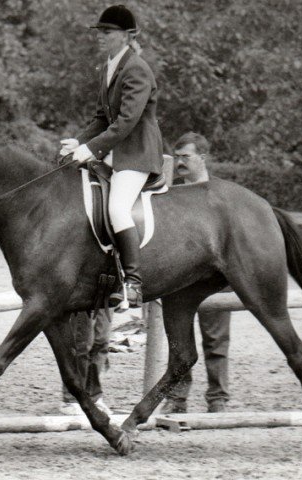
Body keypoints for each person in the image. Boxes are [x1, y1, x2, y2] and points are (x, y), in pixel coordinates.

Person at [59, 4, 164, 310]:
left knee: (118, 208)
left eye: (107, 32)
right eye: (100, 32)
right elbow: (101, 119)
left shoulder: (137, 70)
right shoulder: (109, 67)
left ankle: (133, 283)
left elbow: (126, 122)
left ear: (127, 36)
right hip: (113, 154)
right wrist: (76, 142)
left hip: (136, 155)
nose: (100, 37)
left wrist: (89, 149)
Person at [160, 132, 231, 414]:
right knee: (179, 339)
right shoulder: (170, 192)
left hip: (214, 276)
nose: (179, 162)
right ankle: (177, 397)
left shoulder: (221, 195)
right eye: (176, 157)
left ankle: (218, 398)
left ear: (202, 158)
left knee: (216, 340)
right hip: (179, 277)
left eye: (185, 157)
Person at [59, 310, 113, 415]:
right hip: (86, 298)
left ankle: (93, 397)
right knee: (82, 343)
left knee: (101, 342)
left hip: (106, 296)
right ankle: (71, 399)